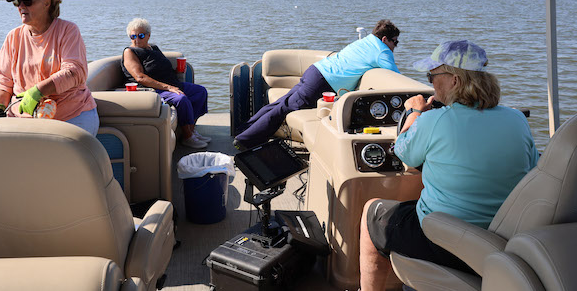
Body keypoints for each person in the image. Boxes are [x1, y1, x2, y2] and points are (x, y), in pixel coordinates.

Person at [359, 40, 539, 290]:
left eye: (432, 76)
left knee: (372, 212)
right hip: (502, 237)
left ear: (454, 80)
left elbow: (404, 153)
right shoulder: (517, 120)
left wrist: (414, 113)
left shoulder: (433, 120)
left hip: (445, 239)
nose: (431, 82)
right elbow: (532, 169)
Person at [234, 19, 400, 150]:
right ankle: (245, 141)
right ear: (384, 39)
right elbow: (396, 78)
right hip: (323, 82)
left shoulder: (366, 41)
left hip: (316, 71)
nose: (395, 46)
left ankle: (243, 130)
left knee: (280, 104)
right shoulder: (382, 50)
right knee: (283, 109)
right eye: (395, 42)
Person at [0, 0, 100, 137]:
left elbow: (75, 72)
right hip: (23, 118)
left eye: (27, 1)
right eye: (17, 2)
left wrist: (37, 91)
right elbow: (4, 81)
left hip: (71, 116)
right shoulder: (13, 37)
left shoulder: (68, 30)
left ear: (47, 3)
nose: (21, 6)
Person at [121, 18, 210, 149]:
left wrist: (177, 71)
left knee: (200, 92)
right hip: (150, 89)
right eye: (133, 36)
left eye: (141, 36)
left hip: (169, 84)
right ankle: (187, 137)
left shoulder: (154, 48)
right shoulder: (130, 52)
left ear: (148, 35)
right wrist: (168, 87)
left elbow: (160, 67)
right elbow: (139, 77)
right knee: (181, 98)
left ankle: (192, 130)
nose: (137, 40)